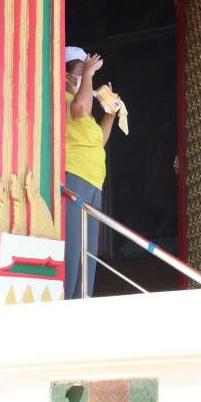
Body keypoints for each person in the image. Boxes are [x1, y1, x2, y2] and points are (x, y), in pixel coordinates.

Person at [63, 46, 118, 298]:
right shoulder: (65, 100)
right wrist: (88, 75)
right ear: (67, 75)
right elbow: (81, 108)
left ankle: (81, 301)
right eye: (83, 69)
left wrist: (110, 114)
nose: (89, 74)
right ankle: (67, 300)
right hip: (74, 177)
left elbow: (99, 141)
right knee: (73, 251)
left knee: (87, 256)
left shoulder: (84, 111)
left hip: (94, 182)